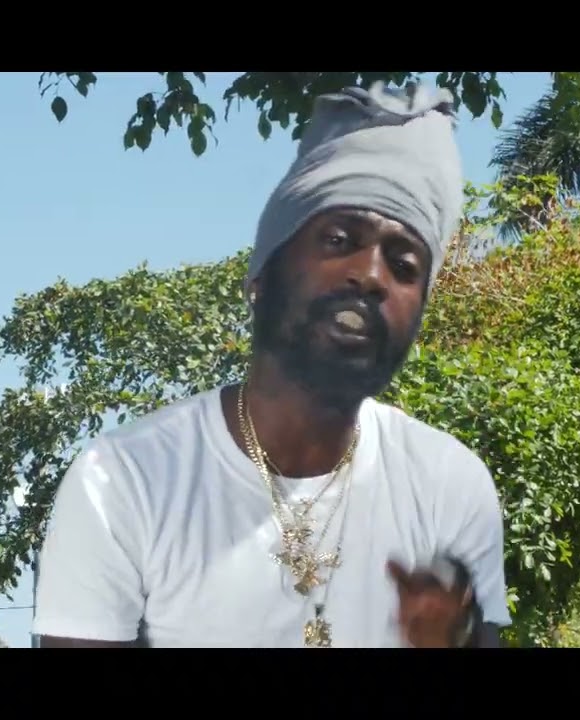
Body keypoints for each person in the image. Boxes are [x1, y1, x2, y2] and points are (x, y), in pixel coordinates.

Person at [32, 81, 512, 648]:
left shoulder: (448, 485)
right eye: (339, 239)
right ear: (261, 274)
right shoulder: (121, 482)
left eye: (405, 266)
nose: (371, 276)